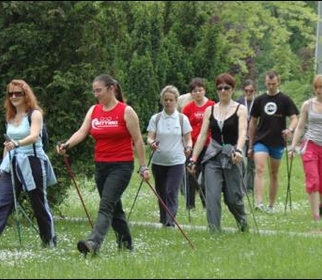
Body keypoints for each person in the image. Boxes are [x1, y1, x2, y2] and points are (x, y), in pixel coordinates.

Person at [56, 74, 150, 255]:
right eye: (94, 91)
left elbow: (138, 140)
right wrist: (66, 144)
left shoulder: (126, 111)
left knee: (106, 205)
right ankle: (126, 245)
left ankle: (93, 242)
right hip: (101, 165)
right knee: (114, 207)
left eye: (98, 90)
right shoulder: (94, 110)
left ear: (111, 89)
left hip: (121, 166)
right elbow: (82, 132)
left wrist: (143, 166)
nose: (95, 94)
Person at [188, 73, 248, 233]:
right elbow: (202, 136)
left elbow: (243, 132)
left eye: (226, 88)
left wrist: (239, 150)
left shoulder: (240, 109)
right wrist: (193, 158)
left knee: (233, 199)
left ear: (233, 89)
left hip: (232, 156)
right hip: (212, 156)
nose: (223, 91)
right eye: (219, 88)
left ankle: (243, 223)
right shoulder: (210, 110)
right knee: (212, 196)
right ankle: (214, 231)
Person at [0, 79, 57, 248]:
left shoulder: (35, 114)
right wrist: (2, 167)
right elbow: (8, 143)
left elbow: (34, 136)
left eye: (19, 93)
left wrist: (17, 144)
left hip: (32, 161)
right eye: (11, 94)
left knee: (38, 203)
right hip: (12, 162)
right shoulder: (10, 116)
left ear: (26, 95)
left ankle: (49, 241)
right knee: (2, 201)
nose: (14, 96)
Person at [248, 70, 299, 213]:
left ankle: (271, 205)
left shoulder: (285, 99)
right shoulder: (259, 100)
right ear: (265, 83)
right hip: (261, 140)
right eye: (268, 84)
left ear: (278, 83)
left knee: (274, 173)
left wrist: (289, 129)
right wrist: (251, 145)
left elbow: (295, 118)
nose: (271, 86)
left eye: (273, 84)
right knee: (259, 169)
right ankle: (259, 203)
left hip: (277, 141)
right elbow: (252, 123)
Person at [146, 85, 192, 227]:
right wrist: (152, 142)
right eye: (165, 100)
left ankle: (170, 221)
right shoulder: (156, 118)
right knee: (161, 191)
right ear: (162, 100)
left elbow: (188, 138)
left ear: (176, 101)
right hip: (158, 161)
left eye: (171, 100)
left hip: (177, 161)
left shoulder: (182, 119)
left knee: (171, 190)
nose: (168, 102)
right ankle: (163, 218)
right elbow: (149, 137)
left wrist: (189, 146)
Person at [289, 74, 322, 222]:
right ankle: (315, 216)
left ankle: (319, 208)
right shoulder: (307, 105)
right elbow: (300, 127)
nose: (321, 90)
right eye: (319, 87)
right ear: (315, 89)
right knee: (313, 179)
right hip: (310, 145)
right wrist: (293, 147)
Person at [182, 77, 215, 209]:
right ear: (191, 93)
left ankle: (206, 202)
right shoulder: (188, 108)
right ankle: (190, 204)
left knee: (207, 176)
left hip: (209, 146)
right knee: (191, 174)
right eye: (194, 91)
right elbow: (184, 127)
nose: (197, 93)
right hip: (193, 146)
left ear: (204, 90)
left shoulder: (212, 105)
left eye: (200, 90)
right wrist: (186, 145)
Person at [236, 79, 257, 193]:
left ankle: (249, 187)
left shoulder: (257, 102)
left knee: (251, 163)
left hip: (253, 136)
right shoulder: (239, 102)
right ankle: (240, 185)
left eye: (251, 91)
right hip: (241, 135)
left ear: (254, 91)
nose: (248, 93)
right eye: (246, 91)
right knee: (240, 160)